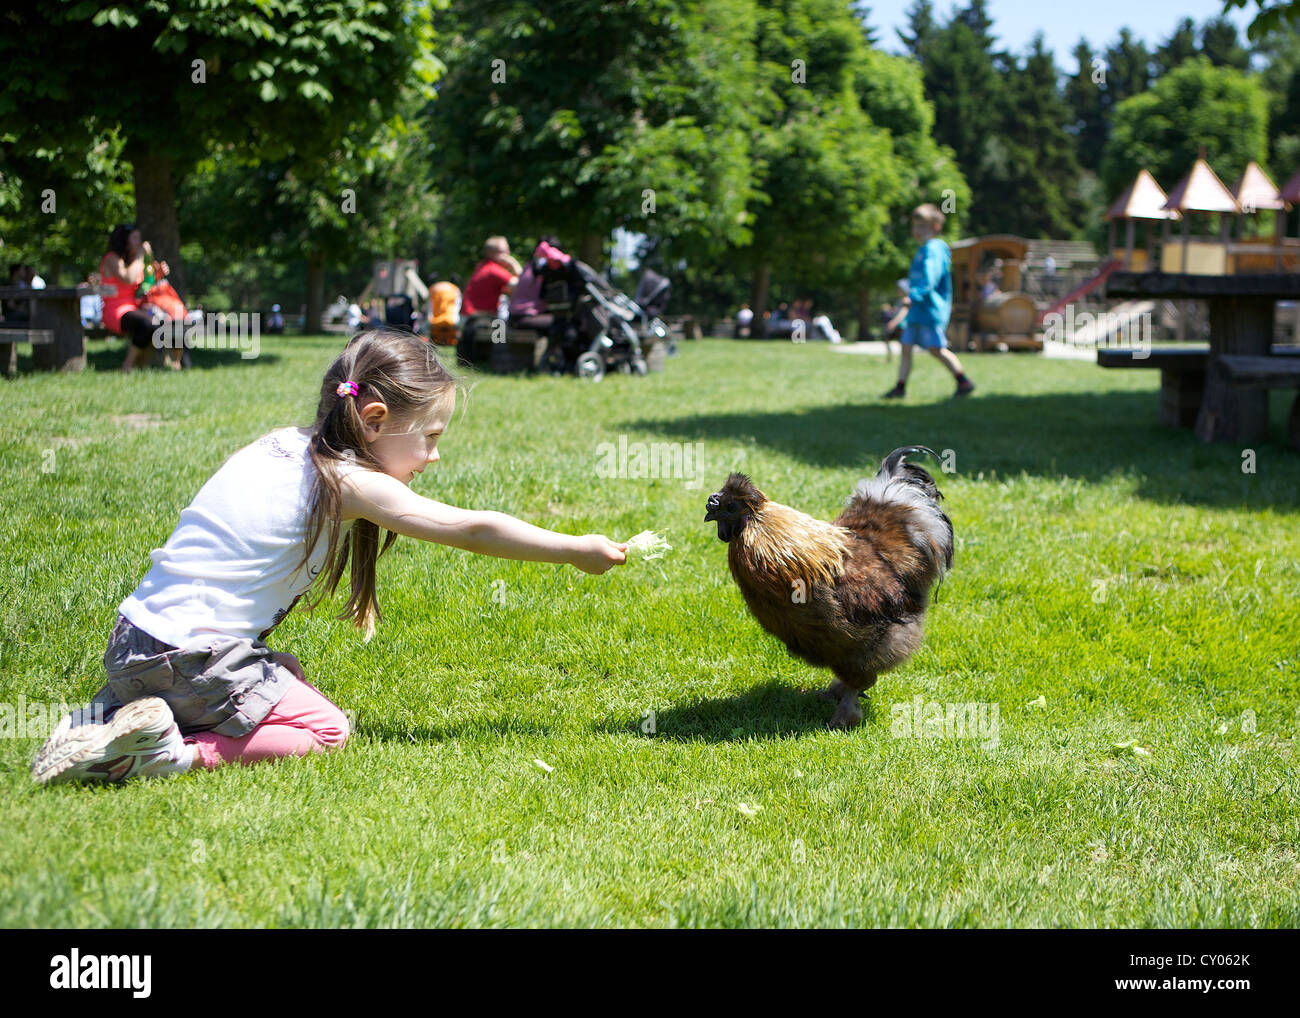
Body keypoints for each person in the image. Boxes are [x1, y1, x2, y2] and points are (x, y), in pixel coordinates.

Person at [30, 330, 628, 786]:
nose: (434, 457)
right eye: (431, 437)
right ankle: (171, 754)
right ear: (373, 420)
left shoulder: (281, 445)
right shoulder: (346, 480)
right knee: (326, 731)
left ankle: (105, 721)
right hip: (189, 659)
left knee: (283, 668)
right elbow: (470, 528)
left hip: (132, 644)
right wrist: (575, 550)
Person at [882, 204, 974, 400]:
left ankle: (963, 381)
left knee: (936, 349)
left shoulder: (934, 249)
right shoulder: (923, 250)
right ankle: (900, 387)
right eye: (915, 226)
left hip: (930, 310)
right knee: (906, 347)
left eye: (923, 226)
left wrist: (913, 295)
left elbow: (929, 278)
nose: (918, 230)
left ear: (936, 227)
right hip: (916, 310)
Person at [99, 223, 183, 372]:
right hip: (115, 311)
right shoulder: (112, 259)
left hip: (133, 307)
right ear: (124, 240)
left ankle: (169, 362)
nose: (139, 242)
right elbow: (129, 278)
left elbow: (146, 285)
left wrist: (158, 275)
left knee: (166, 320)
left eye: (139, 238)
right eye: (135, 238)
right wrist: (140, 256)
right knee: (148, 323)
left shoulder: (135, 262)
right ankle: (127, 366)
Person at [462, 237, 522, 316]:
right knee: (501, 326)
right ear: (492, 253)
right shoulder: (493, 270)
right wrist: (514, 264)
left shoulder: (482, 266)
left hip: (471, 315)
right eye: (504, 251)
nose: (508, 254)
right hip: (480, 318)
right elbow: (522, 285)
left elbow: (509, 290)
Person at [429, 274, 462, 346]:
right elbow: (458, 306)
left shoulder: (433, 288)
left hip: (435, 321)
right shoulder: (455, 289)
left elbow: (430, 307)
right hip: (451, 321)